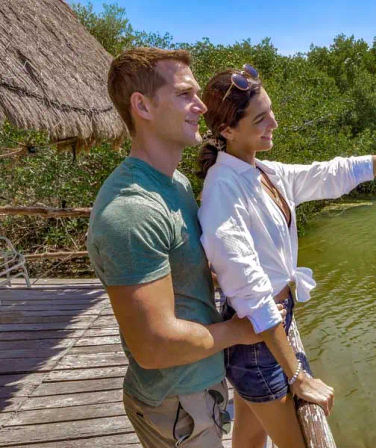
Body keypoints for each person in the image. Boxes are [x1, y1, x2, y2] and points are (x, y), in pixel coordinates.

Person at [197, 64, 376, 448]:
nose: (275, 122)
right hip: (259, 349)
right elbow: (250, 294)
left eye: (270, 111)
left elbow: (335, 173)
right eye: (261, 118)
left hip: (266, 339)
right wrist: (297, 375)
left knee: (249, 441)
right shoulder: (224, 189)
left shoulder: (262, 171)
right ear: (227, 130)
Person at [87, 48, 268, 448]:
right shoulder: (131, 211)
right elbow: (154, 346)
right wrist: (242, 330)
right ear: (143, 106)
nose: (202, 107)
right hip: (175, 404)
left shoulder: (178, 185)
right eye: (186, 94)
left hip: (197, 391)